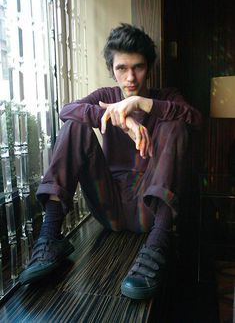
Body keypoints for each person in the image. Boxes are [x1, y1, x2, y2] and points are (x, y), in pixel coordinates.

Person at [19, 23, 201, 299]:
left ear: (148, 67)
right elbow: (67, 110)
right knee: (75, 123)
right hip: (109, 205)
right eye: (121, 69)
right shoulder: (106, 97)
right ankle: (49, 236)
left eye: (138, 67)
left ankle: (159, 244)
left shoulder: (166, 98)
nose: (130, 77)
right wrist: (120, 117)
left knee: (174, 124)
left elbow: (195, 119)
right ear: (112, 70)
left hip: (150, 211)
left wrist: (140, 103)